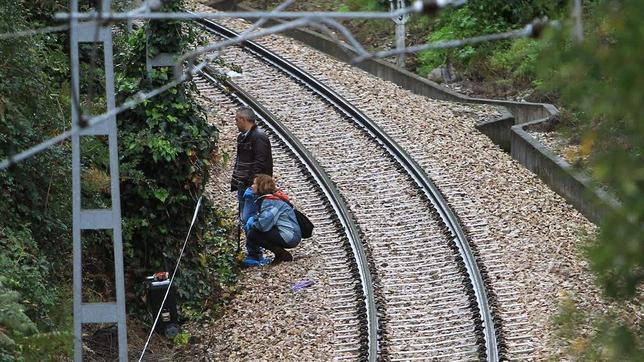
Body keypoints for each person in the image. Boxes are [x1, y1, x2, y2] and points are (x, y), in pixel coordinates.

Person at [230, 107, 273, 265]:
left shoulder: (259, 137)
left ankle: (256, 254)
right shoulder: (243, 137)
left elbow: (260, 163)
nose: (235, 123)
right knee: (244, 218)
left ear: (243, 120)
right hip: (243, 185)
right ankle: (253, 253)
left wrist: (253, 185)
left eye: (236, 120)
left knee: (249, 219)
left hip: (252, 187)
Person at [243, 174, 301, 265]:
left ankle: (282, 254)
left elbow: (263, 225)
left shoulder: (270, 202)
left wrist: (252, 223)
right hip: (290, 233)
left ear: (260, 187)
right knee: (255, 231)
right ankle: (280, 255)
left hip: (290, 236)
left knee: (253, 234)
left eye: (254, 184)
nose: (251, 186)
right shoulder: (270, 199)